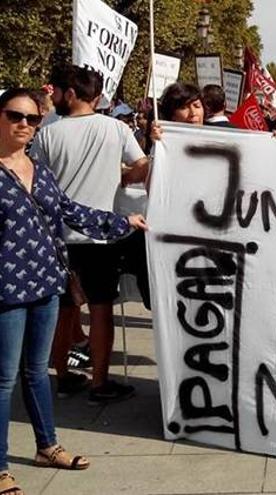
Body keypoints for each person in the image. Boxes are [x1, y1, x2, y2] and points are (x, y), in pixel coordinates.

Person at [0, 88, 148, 495]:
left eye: (32, 119)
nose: (25, 126)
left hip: (47, 283)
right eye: (16, 116)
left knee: (36, 373)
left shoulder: (39, 170)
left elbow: (71, 211)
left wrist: (122, 222)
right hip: (6, 291)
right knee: (4, 379)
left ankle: (47, 445)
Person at [29, 65, 150, 404]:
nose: (52, 96)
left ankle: (63, 375)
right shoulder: (116, 129)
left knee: (63, 309)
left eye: (55, 91)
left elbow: (36, 180)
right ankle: (99, 381)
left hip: (59, 235)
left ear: (69, 94)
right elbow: (142, 166)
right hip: (102, 234)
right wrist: (122, 174)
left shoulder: (48, 134)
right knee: (100, 307)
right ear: (95, 97)